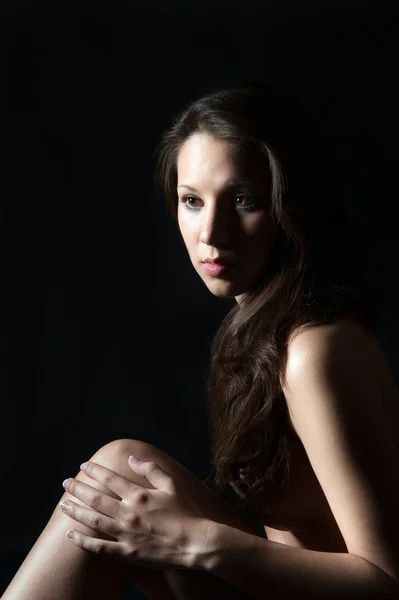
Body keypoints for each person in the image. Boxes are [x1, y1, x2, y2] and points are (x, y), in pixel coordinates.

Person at [3, 81, 399, 600]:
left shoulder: (315, 352)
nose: (211, 233)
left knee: (122, 467)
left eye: (242, 201)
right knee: (117, 482)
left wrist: (198, 540)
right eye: (192, 201)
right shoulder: (256, 334)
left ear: (289, 208)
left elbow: (387, 582)